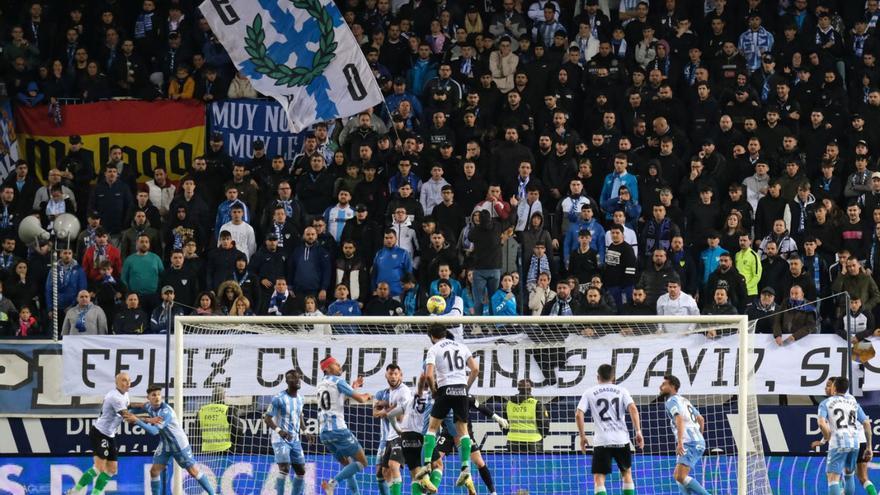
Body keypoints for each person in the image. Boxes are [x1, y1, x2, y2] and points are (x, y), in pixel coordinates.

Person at [414, 323, 480, 492]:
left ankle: (427, 465)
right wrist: (466, 387)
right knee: (463, 432)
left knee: (432, 429)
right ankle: (465, 469)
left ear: (431, 337)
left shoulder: (434, 349)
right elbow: (475, 369)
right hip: (461, 389)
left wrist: (435, 391)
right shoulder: (461, 346)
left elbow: (428, 375)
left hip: (445, 390)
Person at [126, 385, 216, 495]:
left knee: (193, 471)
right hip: (165, 444)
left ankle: (213, 493)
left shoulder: (165, 411)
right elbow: (138, 407)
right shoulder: (149, 406)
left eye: (159, 394)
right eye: (154, 395)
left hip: (179, 444)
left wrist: (137, 420)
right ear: (148, 397)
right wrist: (125, 406)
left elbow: (154, 431)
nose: (157, 397)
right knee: (154, 471)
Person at [576, 364, 644, 495]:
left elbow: (579, 414)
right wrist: (638, 431)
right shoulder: (622, 390)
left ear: (598, 377)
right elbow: (633, 409)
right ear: (613, 377)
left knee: (599, 478)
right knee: (626, 473)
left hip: (602, 441)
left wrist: (582, 436)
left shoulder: (589, 392)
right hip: (621, 439)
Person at [66, 373, 133, 495]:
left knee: (112, 469)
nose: (128, 383)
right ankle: (74, 492)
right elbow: (127, 416)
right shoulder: (114, 397)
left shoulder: (125, 394)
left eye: (129, 380)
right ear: (116, 383)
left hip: (110, 435)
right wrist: (149, 419)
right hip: (100, 433)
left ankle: (95, 493)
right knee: (99, 468)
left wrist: (144, 406)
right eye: (124, 380)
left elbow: (128, 406)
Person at [317, 355, 372, 494]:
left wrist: (354, 386)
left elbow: (337, 397)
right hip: (339, 431)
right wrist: (367, 395)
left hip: (324, 433)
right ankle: (332, 483)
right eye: (336, 364)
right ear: (328, 368)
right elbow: (360, 399)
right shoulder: (338, 381)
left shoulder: (321, 384)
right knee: (362, 462)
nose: (340, 366)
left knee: (348, 466)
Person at [815, 376, 868, 495]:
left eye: (829, 385)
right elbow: (866, 422)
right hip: (855, 443)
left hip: (838, 443)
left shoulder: (826, 403)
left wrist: (827, 436)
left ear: (834, 387)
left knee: (833, 478)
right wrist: (869, 446)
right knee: (849, 475)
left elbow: (821, 423)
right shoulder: (853, 402)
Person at [659, 374, 710, 495]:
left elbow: (679, 419)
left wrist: (681, 442)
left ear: (672, 386)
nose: (660, 387)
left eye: (664, 384)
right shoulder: (684, 400)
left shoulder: (671, 401)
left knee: (680, 476)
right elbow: (701, 419)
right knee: (679, 477)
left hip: (689, 442)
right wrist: (699, 437)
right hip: (697, 441)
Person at [265, 370, 308, 495]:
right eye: (293, 378)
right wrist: (279, 431)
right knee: (284, 468)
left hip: (295, 439)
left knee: (301, 471)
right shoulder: (278, 398)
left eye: (298, 378)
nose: (297, 380)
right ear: (287, 381)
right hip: (280, 439)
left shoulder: (301, 398)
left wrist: (305, 431)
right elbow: (267, 418)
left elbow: (299, 415)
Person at [372, 364, 413, 495]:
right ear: (386, 375)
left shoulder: (404, 391)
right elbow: (375, 413)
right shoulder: (385, 393)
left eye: (396, 374)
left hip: (401, 434)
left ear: (401, 375)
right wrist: (389, 407)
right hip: (389, 436)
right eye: (391, 374)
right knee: (382, 472)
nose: (393, 376)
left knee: (394, 466)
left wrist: (385, 408)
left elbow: (401, 416)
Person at [505, 379, 549, 453]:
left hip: (513, 441)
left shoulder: (508, 404)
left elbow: (503, 423)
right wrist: (542, 435)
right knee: (534, 464)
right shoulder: (536, 404)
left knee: (514, 464)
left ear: (518, 389)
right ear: (530, 388)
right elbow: (544, 424)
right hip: (533, 441)